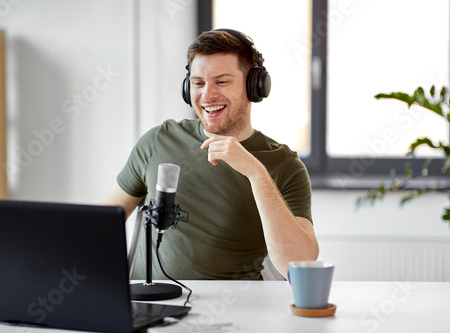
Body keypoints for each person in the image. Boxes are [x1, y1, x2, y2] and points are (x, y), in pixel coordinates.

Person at [102, 29, 318, 280]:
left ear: (254, 86)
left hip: (231, 311)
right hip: (150, 305)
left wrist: (256, 172)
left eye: (222, 81)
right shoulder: (158, 140)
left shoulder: (284, 164)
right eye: (198, 83)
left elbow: (298, 263)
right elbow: (101, 228)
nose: (207, 95)